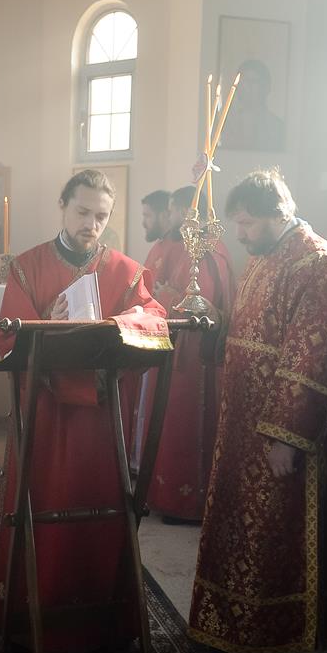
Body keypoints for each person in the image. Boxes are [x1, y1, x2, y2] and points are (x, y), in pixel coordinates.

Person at [0, 169, 168, 653]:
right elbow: (7, 339)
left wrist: (118, 323)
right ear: (62, 206)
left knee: (101, 509)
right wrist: (43, 326)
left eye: (101, 216)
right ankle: (31, 622)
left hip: (102, 420)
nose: (91, 225)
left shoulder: (126, 270)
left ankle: (101, 621)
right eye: (82, 212)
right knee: (40, 506)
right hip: (45, 416)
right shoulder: (28, 266)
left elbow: (155, 318)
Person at [187, 169, 327, 653]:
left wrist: (287, 436)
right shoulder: (265, 256)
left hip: (279, 435)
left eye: (246, 223)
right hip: (242, 428)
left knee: (271, 533)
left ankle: (268, 639)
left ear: (279, 213)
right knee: (237, 530)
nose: (239, 234)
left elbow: (310, 359)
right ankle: (229, 628)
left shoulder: (320, 265)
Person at [135, 185, 232, 523]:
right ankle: (165, 496)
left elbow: (200, 304)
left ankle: (186, 503)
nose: (173, 217)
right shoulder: (191, 247)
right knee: (169, 424)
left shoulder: (206, 250)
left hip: (194, 356)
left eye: (177, 211)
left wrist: (165, 295)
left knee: (185, 426)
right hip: (178, 347)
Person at [219, 59, 286, 152]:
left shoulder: (277, 127)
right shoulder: (223, 123)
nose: (249, 86)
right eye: (245, 81)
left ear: (266, 87)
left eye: (255, 81)